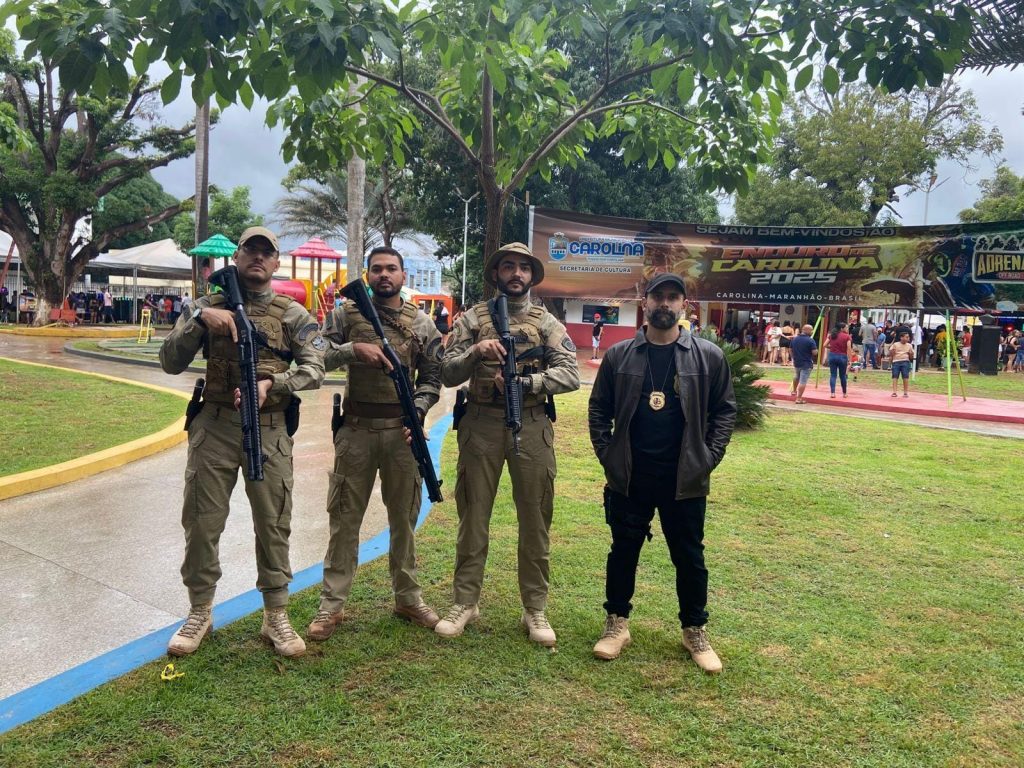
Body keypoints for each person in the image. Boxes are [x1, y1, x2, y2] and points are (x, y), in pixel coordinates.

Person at [159, 226, 326, 658]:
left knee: (273, 522)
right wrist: (198, 319)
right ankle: (200, 611)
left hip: (269, 428)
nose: (257, 258)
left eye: (265, 252)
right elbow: (169, 361)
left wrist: (276, 382)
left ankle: (276, 615)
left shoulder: (292, 314)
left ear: (275, 262)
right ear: (237, 256)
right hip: (213, 426)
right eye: (250, 250)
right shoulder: (206, 305)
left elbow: (316, 367)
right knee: (201, 521)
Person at [588, 273, 736, 672]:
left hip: (684, 476)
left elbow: (724, 412)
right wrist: (608, 454)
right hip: (631, 474)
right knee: (623, 551)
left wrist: (709, 456)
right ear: (645, 301)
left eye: (673, 298)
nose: (665, 305)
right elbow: (598, 409)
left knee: (689, 556)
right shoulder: (620, 356)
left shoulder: (708, 356)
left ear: (683, 305)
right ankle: (616, 624)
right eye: (658, 297)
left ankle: (694, 630)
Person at [435, 242, 580, 646]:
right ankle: (465, 601)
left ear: (532, 276)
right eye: (507, 267)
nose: (515, 273)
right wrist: (476, 352)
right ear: (496, 273)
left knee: (535, 520)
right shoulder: (472, 319)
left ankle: (534, 608)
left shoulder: (546, 323)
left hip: (531, 425)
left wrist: (528, 383)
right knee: (473, 515)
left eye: (523, 268)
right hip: (480, 423)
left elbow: (571, 373)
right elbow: (446, 371)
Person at [307, 246, 443, 641]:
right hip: (356, 431)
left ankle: (407, 597)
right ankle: (331, 606)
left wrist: (418, 410)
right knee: (344, 519)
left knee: (404, 519)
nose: (385, 275)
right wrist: (354, 349)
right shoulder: (345, 314)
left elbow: (433, 376)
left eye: (392, 269)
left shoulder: (421, 323)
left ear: (403, 275)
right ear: (368, 274)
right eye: (377, 269)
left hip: (403, 434)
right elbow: (315, 353)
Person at [789, 324, 818, 404]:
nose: (812, 332)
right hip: (806, 363)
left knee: (797, 376)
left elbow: (790, 349)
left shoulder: (794, 339)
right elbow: (814, 352)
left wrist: (793, 357)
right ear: (806, 330)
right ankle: (799, 398)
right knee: (803, 381)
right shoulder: (810, 340)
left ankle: (794, 391)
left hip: (797, 362)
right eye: (811, 330)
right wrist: (816, 350)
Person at [826, 322, 852, 398]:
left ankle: (832, 393)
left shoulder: (832, 335)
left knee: (833, 375)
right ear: (842, 328)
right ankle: (844, 393)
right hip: (842, 356)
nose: (847, 329)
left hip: (832, 356)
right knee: (843, 376)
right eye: (846, 327)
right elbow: (849, 348)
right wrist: (850, 359)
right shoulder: (847, 337)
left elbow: (825, 345)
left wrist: (832, 348)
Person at [889, 330, 914, 397]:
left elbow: (911, 357)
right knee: (895, 376)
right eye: (906, 337)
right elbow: (891, 354)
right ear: (901, 337)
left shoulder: (909, 345)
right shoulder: (895, 344)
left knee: (905, 377)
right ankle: (894, 392)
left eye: (908, 337)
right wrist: (892, 353)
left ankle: (905, 392)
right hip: (896, 362)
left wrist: (911, 354)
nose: (908, 338)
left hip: (905, 361)